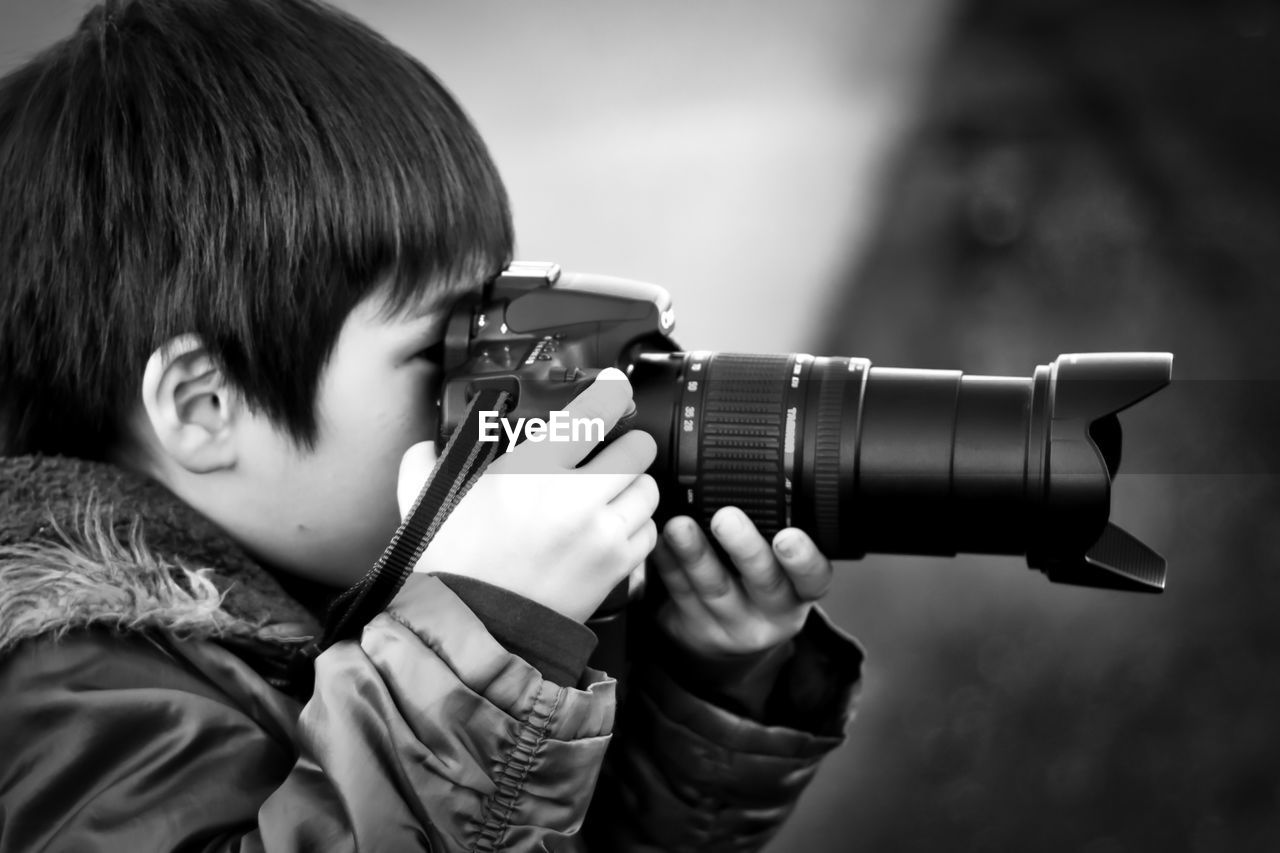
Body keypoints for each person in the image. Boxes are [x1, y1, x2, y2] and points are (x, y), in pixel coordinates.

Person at [0, 1, 864, 850]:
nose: (488, 390)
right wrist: (481, 646)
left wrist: (706, 683)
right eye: (434, 354)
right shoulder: (61, 693)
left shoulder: (307, 586)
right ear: (205, 405)